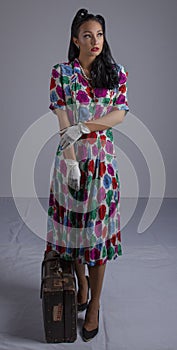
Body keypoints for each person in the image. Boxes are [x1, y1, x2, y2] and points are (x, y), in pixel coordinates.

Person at [46, 8, 129, 342]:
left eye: (99, 35)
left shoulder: (116, 72)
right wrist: (70, 162)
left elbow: (119, 115)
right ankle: (80, 287)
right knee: (72, 233)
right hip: (72, 160)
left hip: (103, 164)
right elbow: (64, 124)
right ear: (74, 39)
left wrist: (86, 126)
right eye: (87, 35)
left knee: (95, 238)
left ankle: (94, 305)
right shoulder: (62, 73)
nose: (94, 41)